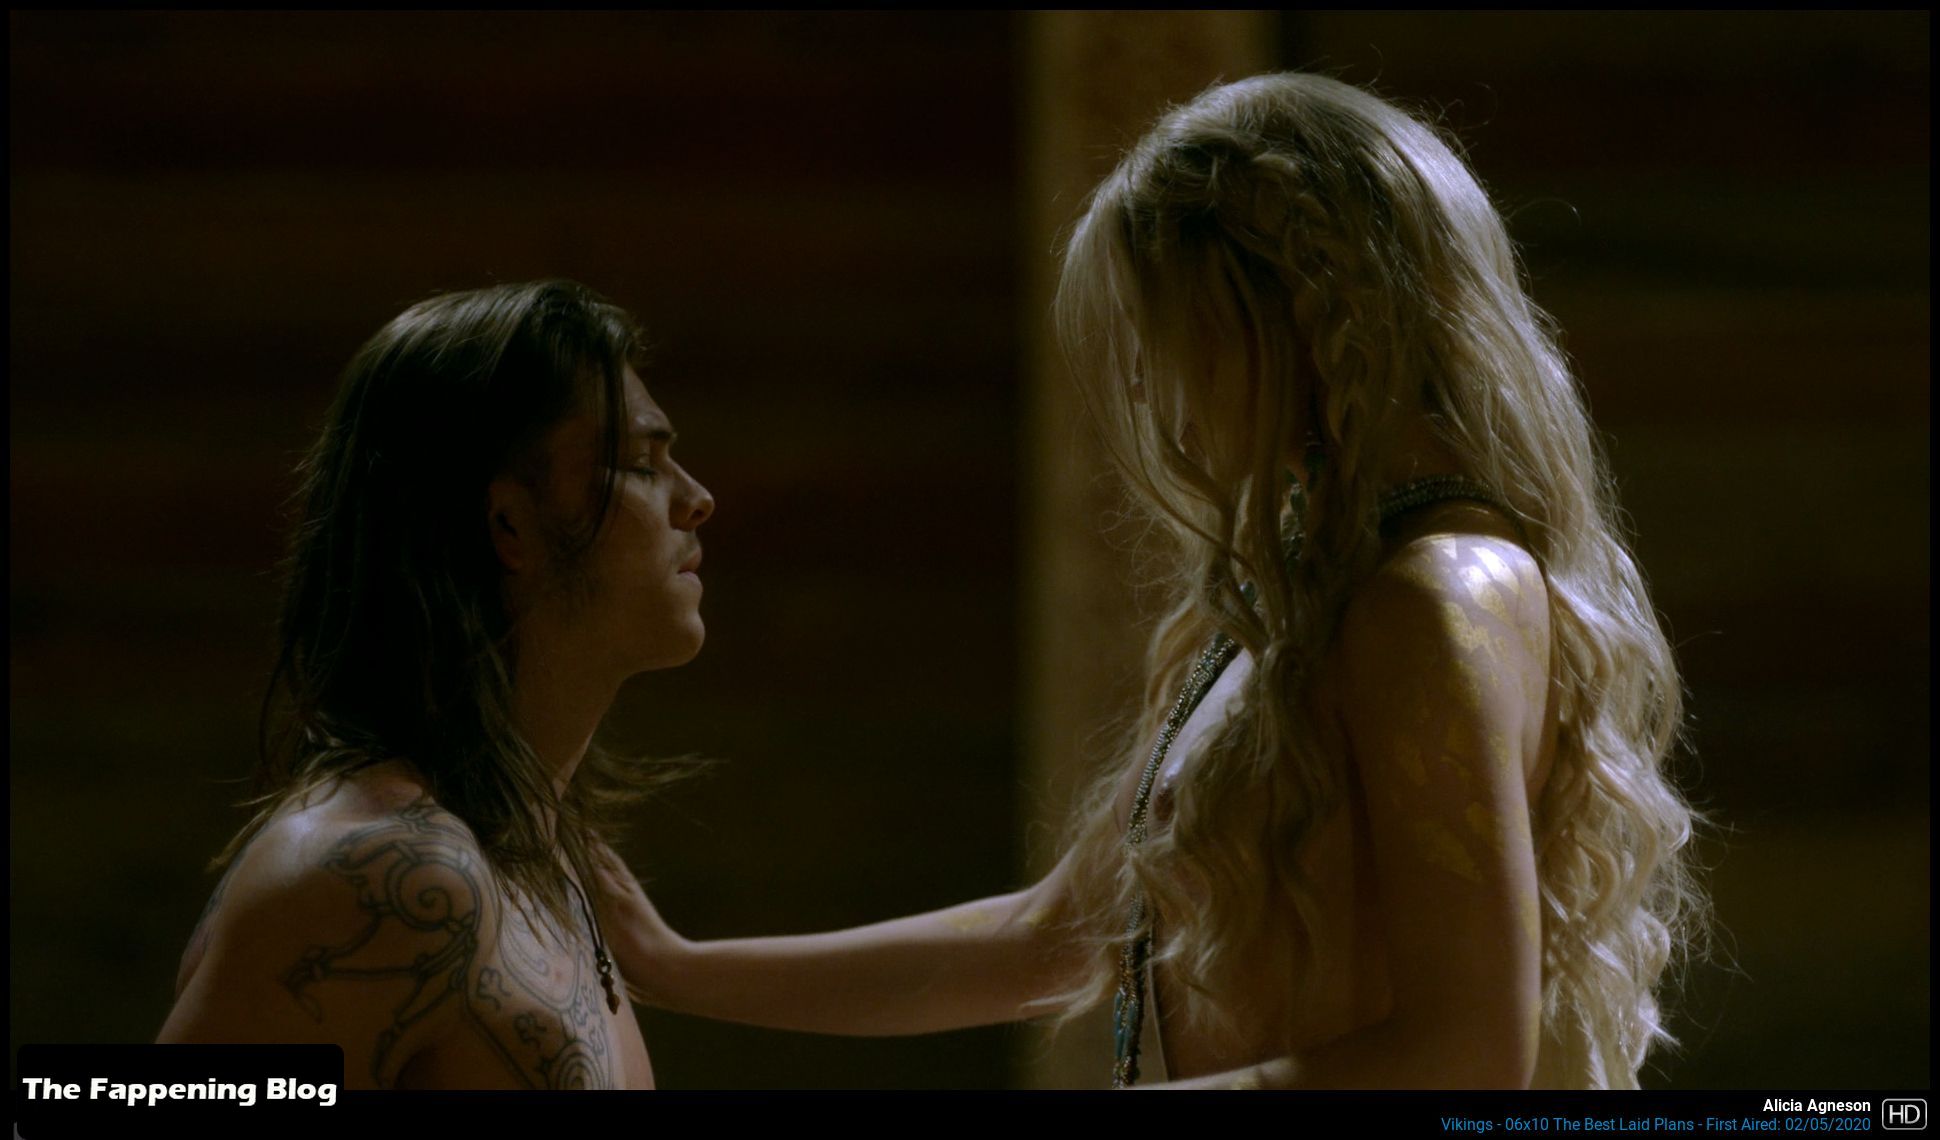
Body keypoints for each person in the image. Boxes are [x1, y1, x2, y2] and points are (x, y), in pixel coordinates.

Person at [595, 73, 1702, 1089]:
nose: (1150, 393)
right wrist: (674, 965)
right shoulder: (1299, 608)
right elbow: (1052, 937)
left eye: (1159, 335)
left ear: (1274, 311)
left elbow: (1467, 1054)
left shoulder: (1436, 595)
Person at [158, 280, 715, 1090]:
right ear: (508, 523)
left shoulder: (542, 862)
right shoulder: (384, 874)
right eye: (639, 464)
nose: (697, 500)